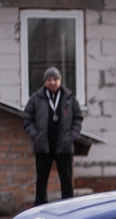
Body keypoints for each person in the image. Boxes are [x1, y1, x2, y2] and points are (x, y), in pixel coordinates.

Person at [23, 67, 83, 206]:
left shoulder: (69, 98)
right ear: (45, 82)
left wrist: (72, 136)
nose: (52, 82)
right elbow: (27, 118)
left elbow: (78, 118)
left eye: (55, 79)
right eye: (49, 79)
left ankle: (69, 207)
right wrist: (35, 136)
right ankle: (39, 207)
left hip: (64, 146)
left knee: (67, 180)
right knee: (41, 181)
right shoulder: (36, 98)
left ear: (60, 81)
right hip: (43, 146)